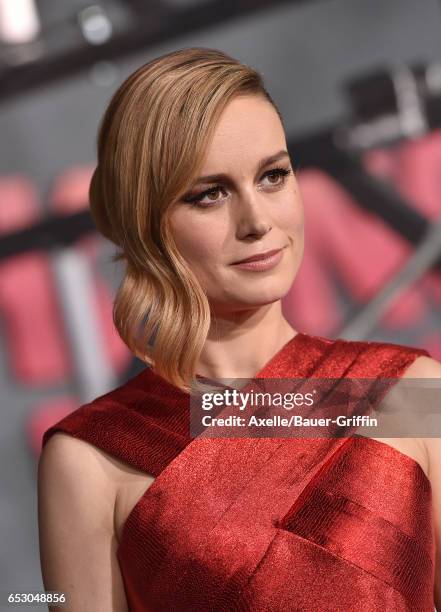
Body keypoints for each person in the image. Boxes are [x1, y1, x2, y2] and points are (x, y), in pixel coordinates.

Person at [37, 47, 441, 611]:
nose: (257, 221)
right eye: (210, 194)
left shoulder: (416, 393)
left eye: (274, 176)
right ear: (145, 221)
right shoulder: (89, 459)